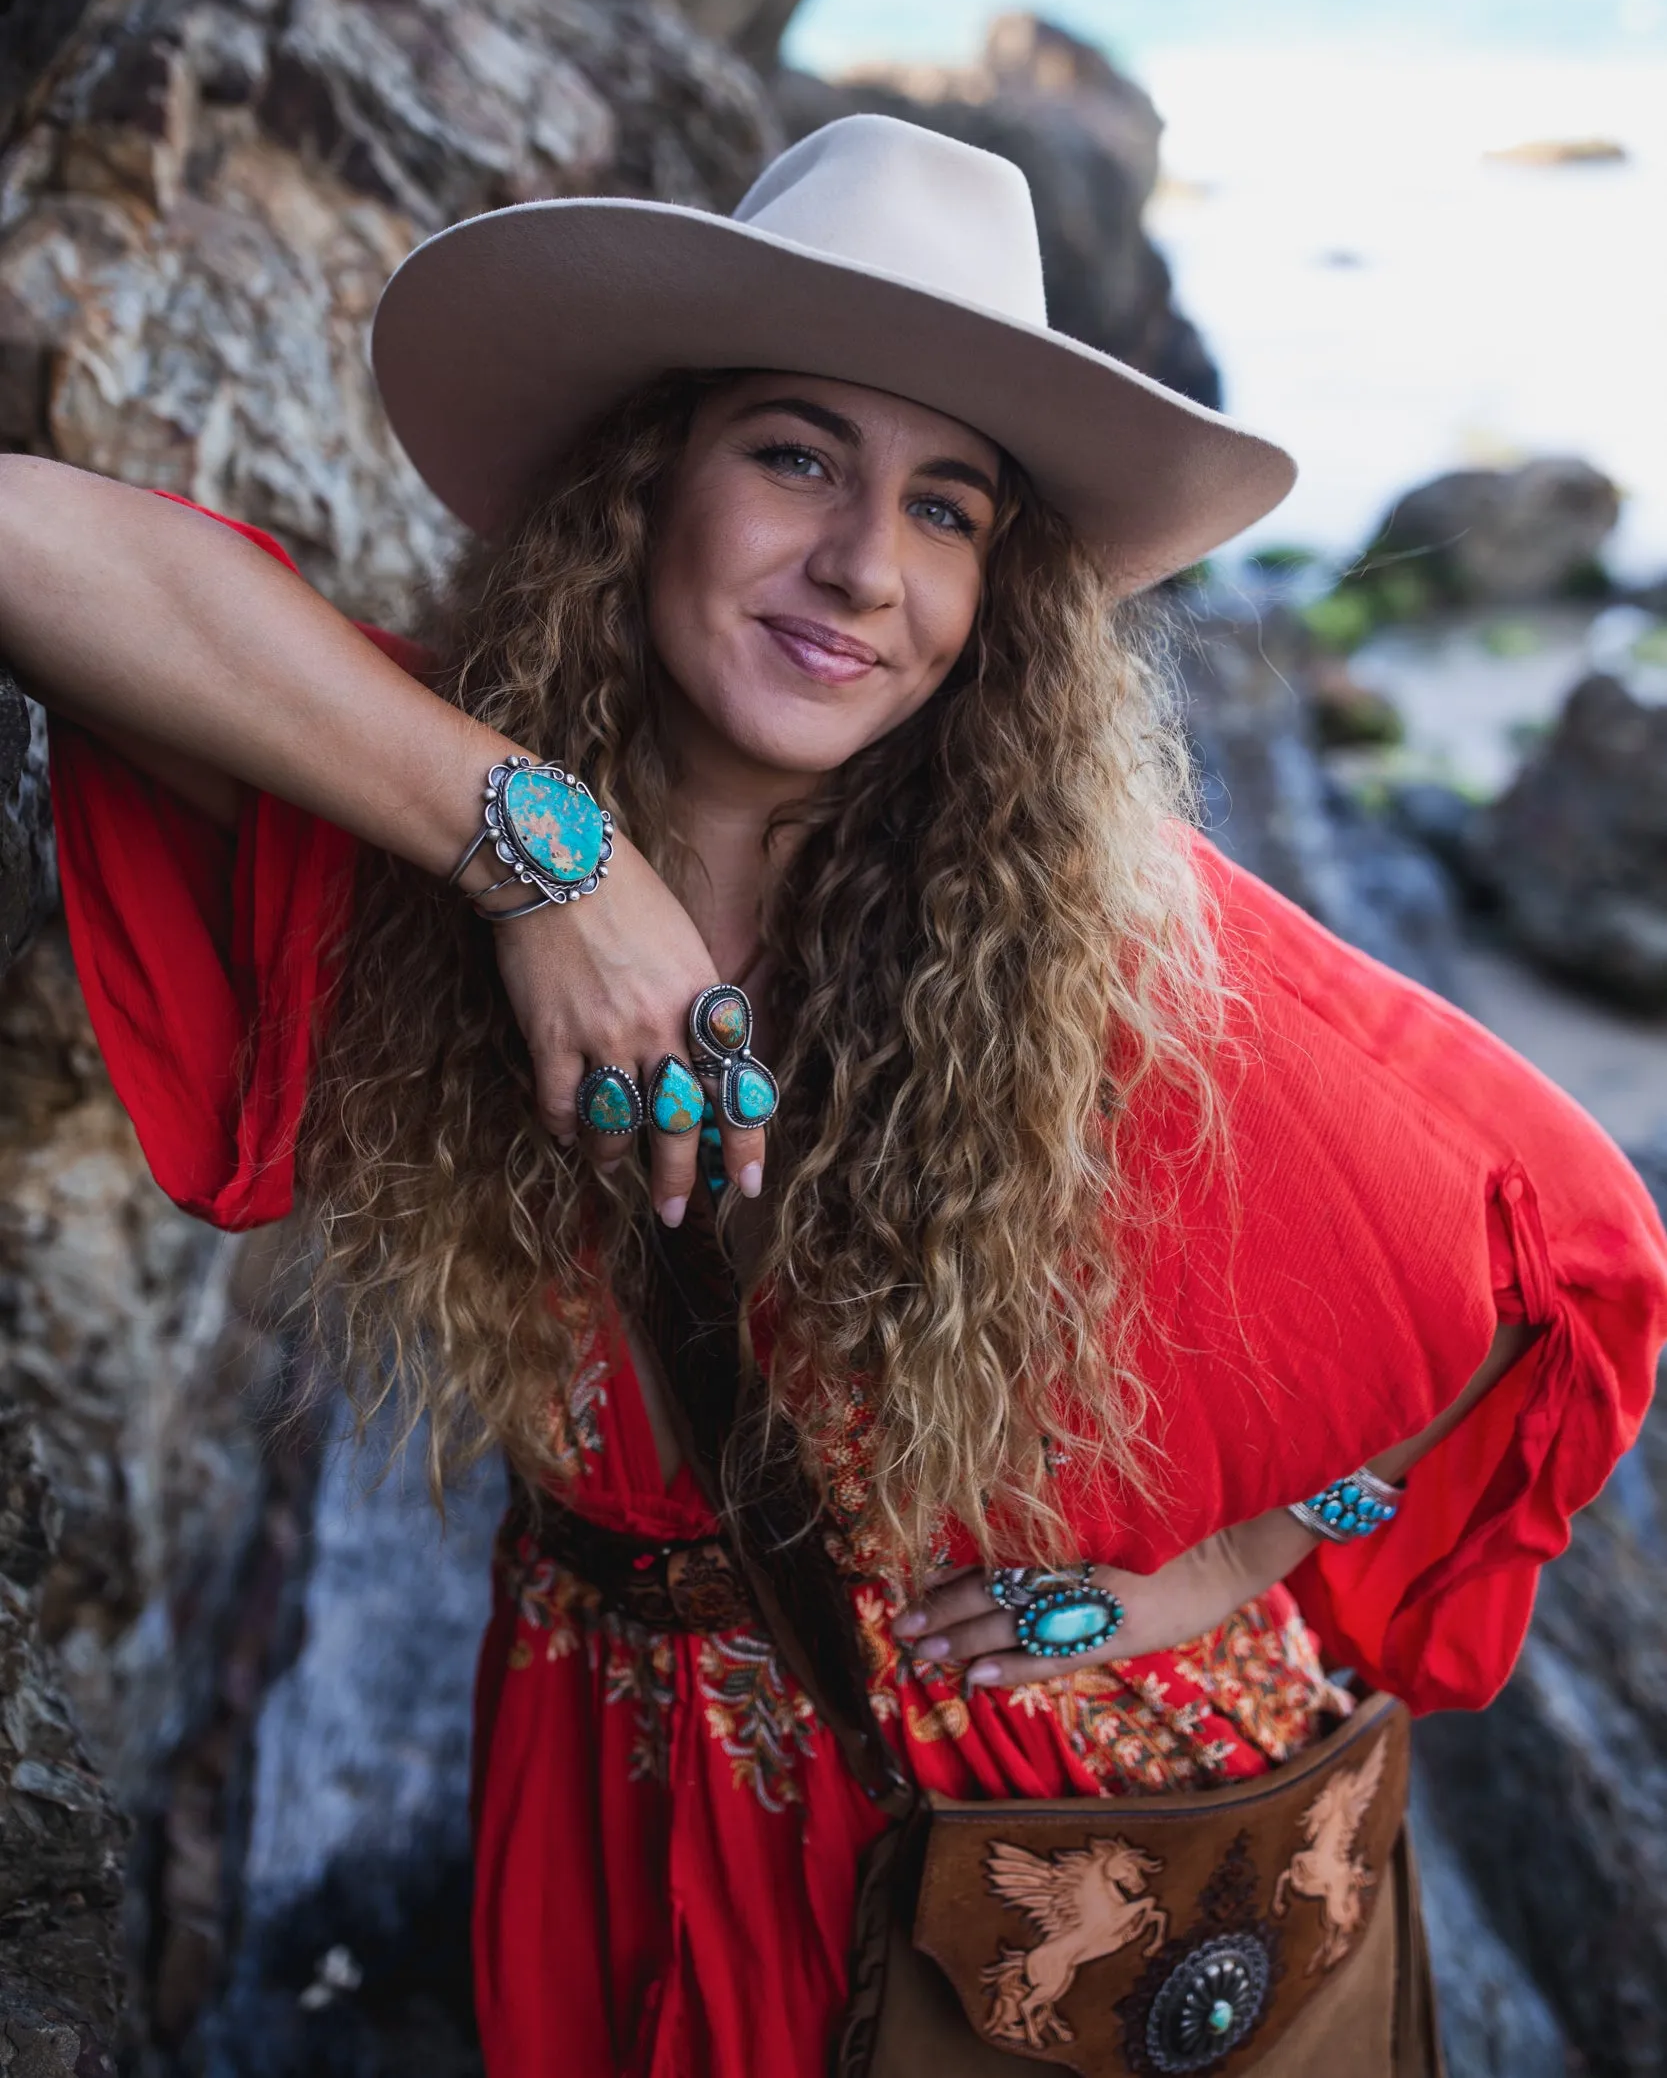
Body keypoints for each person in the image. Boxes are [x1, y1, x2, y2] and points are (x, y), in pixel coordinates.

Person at [1, 115, 1662, 2078]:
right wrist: (549, 861)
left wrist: (1221, 1560)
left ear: (996, 593)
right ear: (647, 479)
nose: (863, 567)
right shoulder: (419, 815)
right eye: (793, 451)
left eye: (947, 507)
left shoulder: (1070, 933)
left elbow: (1566, 1249)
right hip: (611, 1749)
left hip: (1044, 1846)